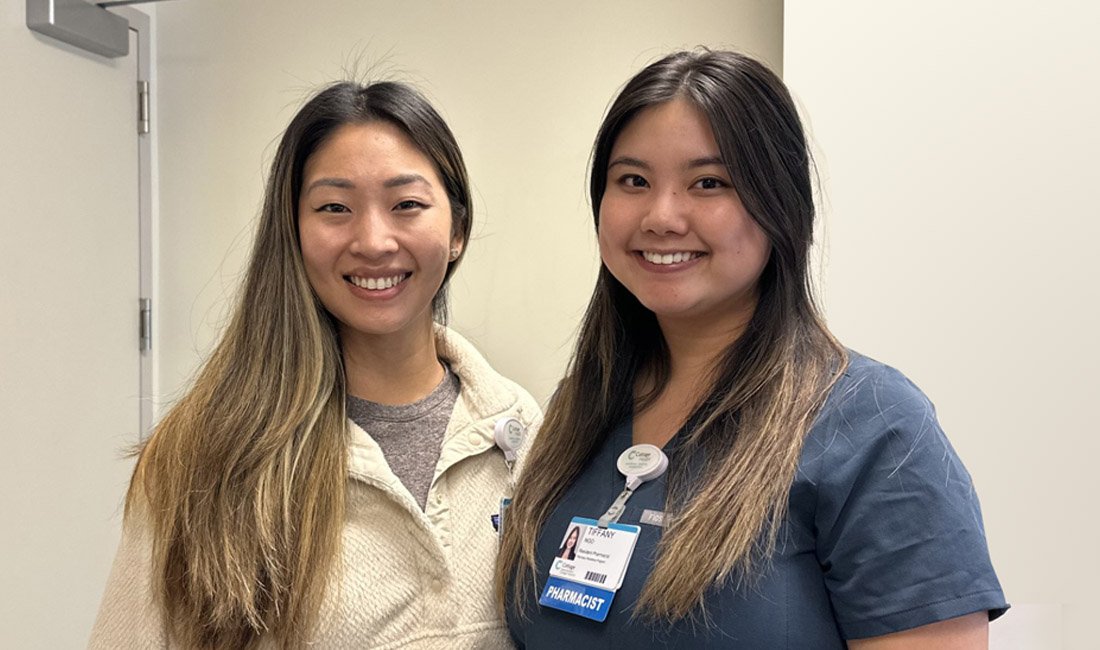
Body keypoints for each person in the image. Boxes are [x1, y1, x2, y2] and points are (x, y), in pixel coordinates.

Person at [497, 49, 1007, 648]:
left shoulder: (873, 427)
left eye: (708, 183)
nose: (661, 216)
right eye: (633, 181)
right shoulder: (578, 411)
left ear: (780, 205)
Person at [90, 80, 540, 649]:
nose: (374, 241)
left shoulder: (520, 433)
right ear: (294, 230)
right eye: (334, 207)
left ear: (457, 230)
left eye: (407, 205)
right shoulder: (205, 455)